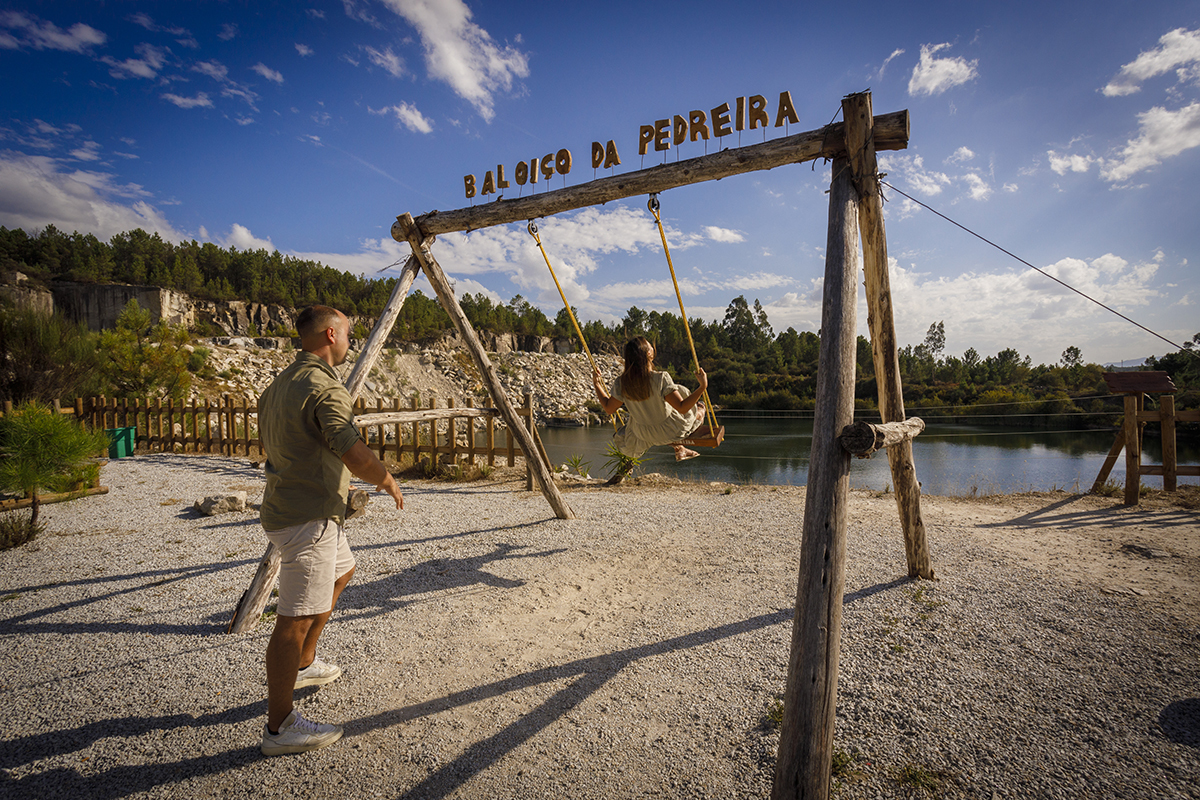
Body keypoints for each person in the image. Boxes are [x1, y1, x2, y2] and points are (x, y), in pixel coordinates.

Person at [257, 305, 404, 756]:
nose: (350, 341)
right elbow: (351, 449)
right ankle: (280, 728)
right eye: (347, 333)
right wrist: (385, 478)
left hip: (295, 508)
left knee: (344, 571)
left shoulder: (279, 385)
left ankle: (304, 664)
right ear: (329, 333)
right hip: (310, 517)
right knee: (293, 617)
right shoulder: (325, 386)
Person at [592, 336, 708, 483]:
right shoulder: (661, 378)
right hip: (671, 430)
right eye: (650, 347)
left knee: (656, 413)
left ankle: (680, 448)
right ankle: (680, 445)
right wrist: (702, 387)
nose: (653, 348)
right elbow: (682, 407)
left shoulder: (622, 382)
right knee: (699, 408)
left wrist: (597, 384)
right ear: (648, 354)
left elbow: (609, 409)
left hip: (644, 434)